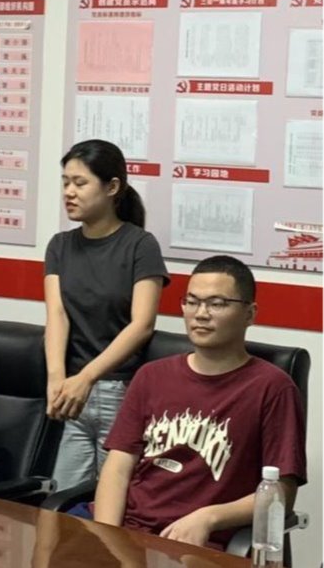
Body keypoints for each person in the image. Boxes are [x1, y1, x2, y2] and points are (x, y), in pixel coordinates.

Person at [89, 255, 306, 550]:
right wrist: (108, 540)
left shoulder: (272, 388)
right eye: (191, 302)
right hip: (129, 534)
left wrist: (209, 518)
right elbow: (118, 466)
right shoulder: (151, 376)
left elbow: (281, 492)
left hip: (201, 544)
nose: (200, 314)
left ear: (250, 314)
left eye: (217, 304)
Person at [45, 139, 168, 491]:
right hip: (71, 390)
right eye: (65, 182)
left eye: (80, 183)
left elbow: (142, 324)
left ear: (112, 187)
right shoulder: (60, 245)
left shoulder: (140, 245)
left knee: (115, 500)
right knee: (63, 498)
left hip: (119, 389)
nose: (69, 192)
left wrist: (87, 377)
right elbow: (57, 314)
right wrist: (57, 377)